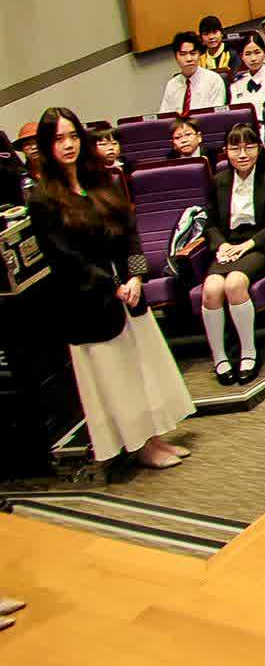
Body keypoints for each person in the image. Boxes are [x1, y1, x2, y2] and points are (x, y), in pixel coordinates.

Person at [23, 109, 194, 469]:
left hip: (129, 293)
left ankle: (154, 436)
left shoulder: (101, 178)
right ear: (47, 146)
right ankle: (138, 445)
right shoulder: (43, 198)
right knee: (119, 378)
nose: (68, 145)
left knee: (143, 369)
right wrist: (114, 287)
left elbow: (130, 232)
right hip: (90, 303)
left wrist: (136, 277)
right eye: (58, 139)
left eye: (73, 136)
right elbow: (66, 258)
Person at [197, 125, 265, 385]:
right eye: (235, 148)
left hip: (259, 244)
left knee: (234, 283)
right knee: (211, 288)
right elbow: (209, 223)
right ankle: (220, 357)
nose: (242, 154)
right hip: (229, 246)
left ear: (259, 148)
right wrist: (221, 245)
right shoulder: (219, 180)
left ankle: (249, 353)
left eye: (249, 147)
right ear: (226, 151)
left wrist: (250, 244)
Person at [159, 32, 226, 115]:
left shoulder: (214, 80)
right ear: (176, 57)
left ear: (199, 55)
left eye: (193, 53)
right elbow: (165, 117)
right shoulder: (172, 84)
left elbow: (217, 116)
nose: (189, 59)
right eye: (183, 54)